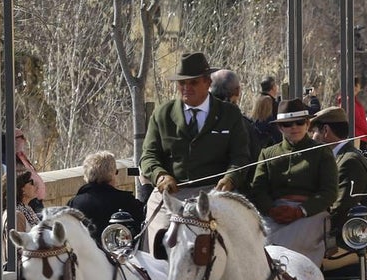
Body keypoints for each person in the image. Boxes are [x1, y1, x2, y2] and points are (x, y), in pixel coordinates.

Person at [140, 52, 250, 255]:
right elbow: (148, 156)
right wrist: (160, 175)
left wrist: (231, 178)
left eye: (193, 82)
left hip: (214, 192)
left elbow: (241, 157)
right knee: (158, 242)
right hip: (171, 193)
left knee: (226, 244)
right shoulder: (162, 114)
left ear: (207, 82)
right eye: (181, 83)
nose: (186, 88)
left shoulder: (229, 114)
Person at [248, 98, 337, 266]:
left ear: (307, 124)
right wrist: (271, 209)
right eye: (288, 124)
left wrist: (301, 211)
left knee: (293, 245)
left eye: (299, 122)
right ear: (280, 127)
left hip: (311, 213)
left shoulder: (321, 152)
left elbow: (329, 192)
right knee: (261, 244)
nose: (294, 127)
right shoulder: (267, 154)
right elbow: (258, 189)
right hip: (274, 214)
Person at [310, 106, 367, 246]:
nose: (313, 138)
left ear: (325, 131)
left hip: (346, 242)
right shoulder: (341, 157)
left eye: (314, 132)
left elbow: (340, 209)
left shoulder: (348, 162)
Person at [67, 151, 146, 239]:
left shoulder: (74, 204)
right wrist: (146, 184)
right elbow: (147, 222)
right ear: (112, 174)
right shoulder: (126, 201)